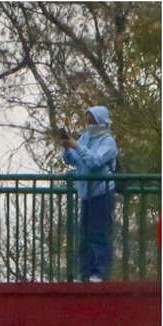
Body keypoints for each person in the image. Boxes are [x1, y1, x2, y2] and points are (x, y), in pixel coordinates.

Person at [58, 106, 119, 282]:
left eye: (91, 120)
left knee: (99, 233)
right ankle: (85, 273)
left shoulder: (108, 142)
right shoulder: (85, 137)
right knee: (84, 235)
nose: (88, 124)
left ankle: (99, 272)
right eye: (87, 120)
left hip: (102, 192)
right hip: (85, 193)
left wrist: (77, 146)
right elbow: (76, 161)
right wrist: (67, 148)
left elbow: (94, 160)